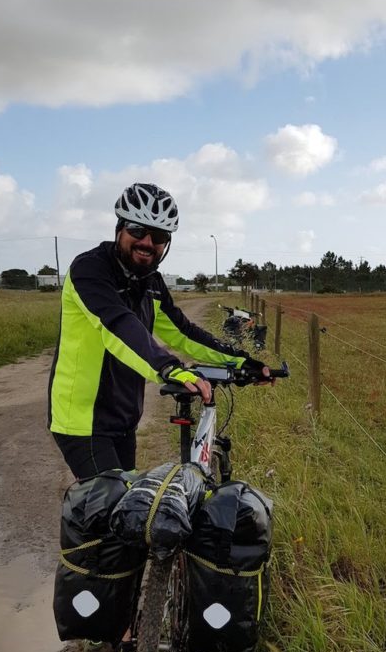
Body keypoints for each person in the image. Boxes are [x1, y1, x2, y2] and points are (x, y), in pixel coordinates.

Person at [48, 182, 269, 479]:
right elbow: (116, 325)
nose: (147, 242)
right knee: (110, 508)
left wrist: (240, 361)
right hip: (83, 420)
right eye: (138, 230)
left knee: (126, 512)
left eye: (160, 236)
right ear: (119, 229)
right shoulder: (90, 269)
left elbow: (182, 331)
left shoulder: (151, 281)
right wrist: (169, 368)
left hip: (124, 417)